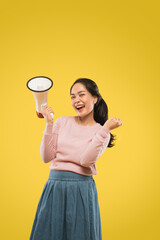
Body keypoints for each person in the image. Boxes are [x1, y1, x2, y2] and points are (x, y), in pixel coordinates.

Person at [29, 78, 122, 240]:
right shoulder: (62, 122)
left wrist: (106, 129)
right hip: (54, 187)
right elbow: (46, 157)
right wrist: (49, 124)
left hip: (81, 190)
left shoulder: (102, 131)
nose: (76, 100)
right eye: (73, 96)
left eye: (81, 95)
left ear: (95, 98)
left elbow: (86, 161)